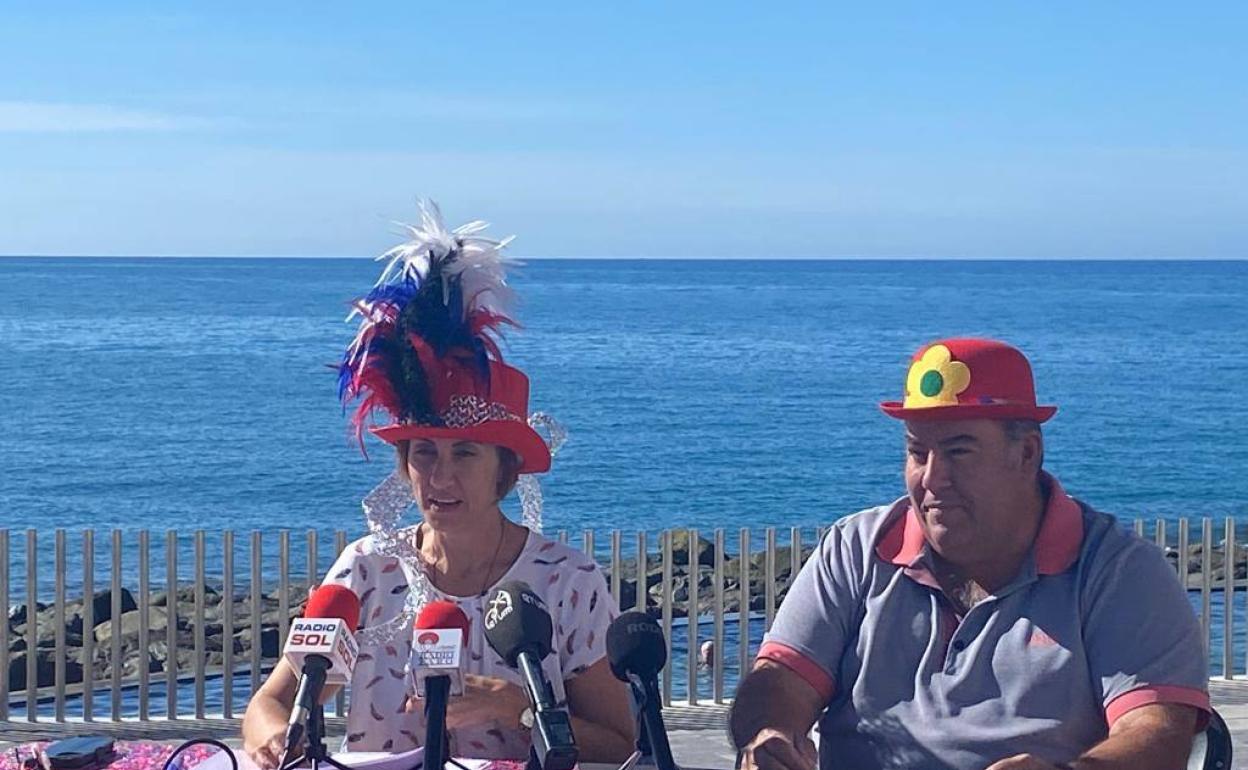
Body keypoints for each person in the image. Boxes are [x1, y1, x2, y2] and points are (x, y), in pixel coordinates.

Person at [242, 202, 634, 766]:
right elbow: (268, 704)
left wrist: (519, 709)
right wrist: (274, 738)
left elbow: (621, 745)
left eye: (465, 454)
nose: (440, 476)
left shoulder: (568, 583)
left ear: (504, 469)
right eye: (423, 453)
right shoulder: (366, 569)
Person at [729, 338, 1210, 770]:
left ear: (1026, 454)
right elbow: (781, 678)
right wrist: (770, 735)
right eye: (918, 453)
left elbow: (1156, 733)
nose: (933, 479)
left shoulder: (1118, 572)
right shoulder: (855, 548)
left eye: (959, 452)